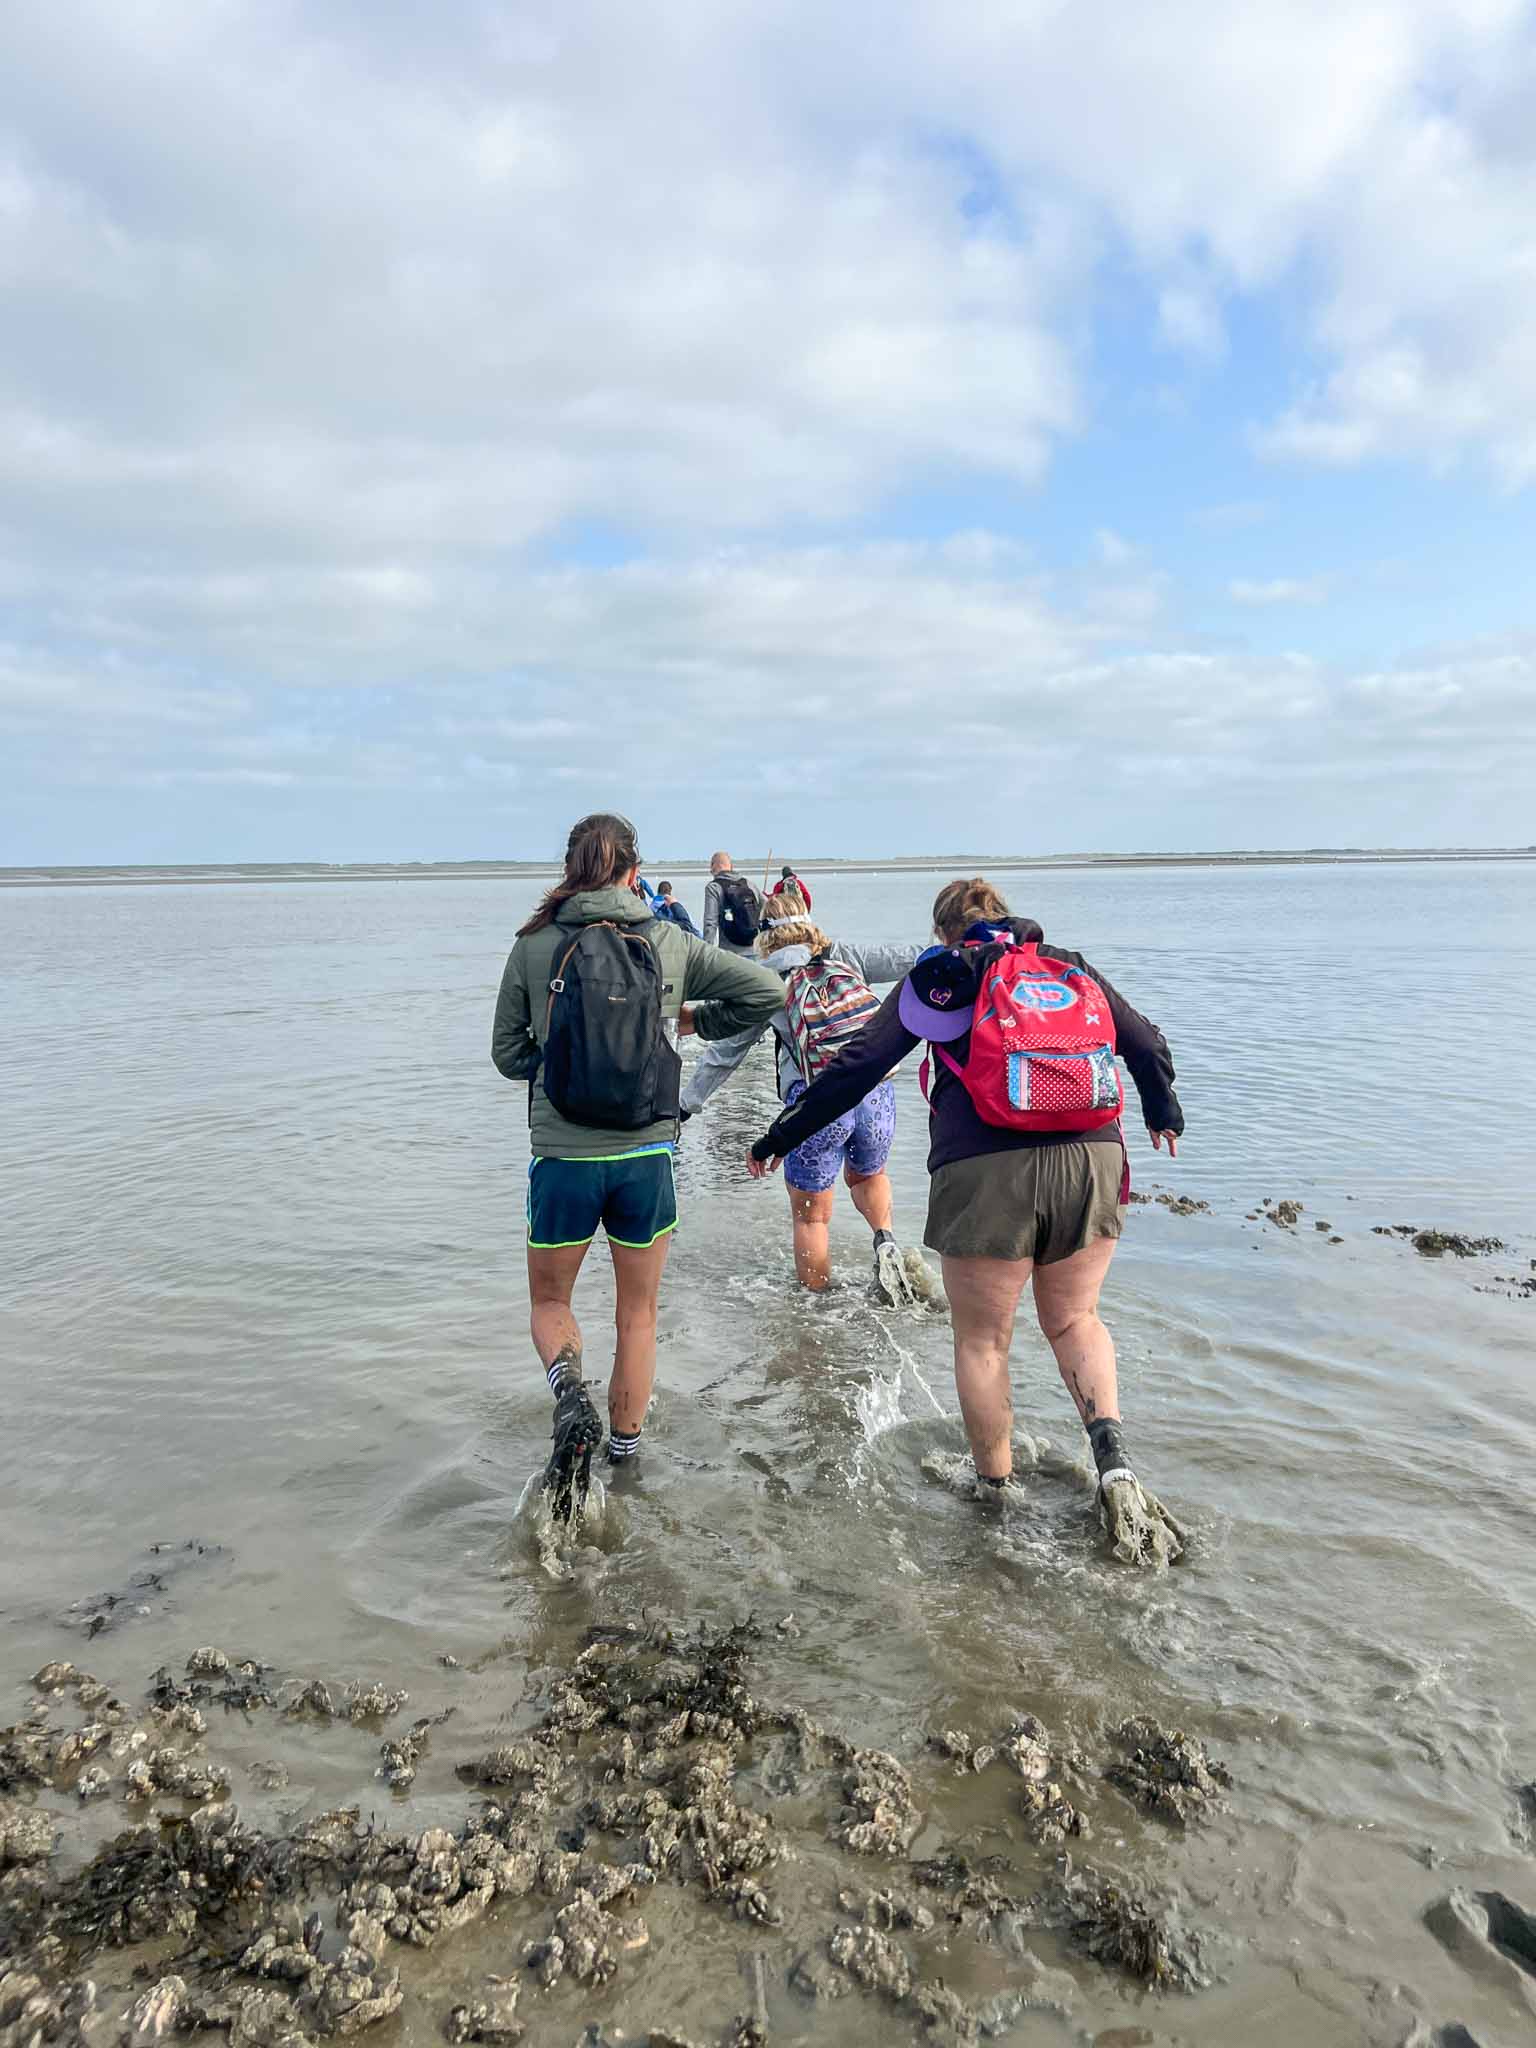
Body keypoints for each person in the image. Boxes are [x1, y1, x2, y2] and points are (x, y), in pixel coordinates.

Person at [744, 877, 1187, 1564]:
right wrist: (1163, 1112)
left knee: (984, 1342)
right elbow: (1146, 1041)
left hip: (985, 1172)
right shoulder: (1066, 964)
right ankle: (1116, 1467)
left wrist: (778, 1136)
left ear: (944, 931)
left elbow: (856, 1066)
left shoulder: (940, 978)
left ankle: (995, 1495)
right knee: (1077, 1320)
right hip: (1092, 1161)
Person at [493, 814, 783, 1518]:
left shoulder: (533, 944)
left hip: (562, 1159)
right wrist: (688, 1024)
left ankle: (570, 1398)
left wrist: (557, 1060)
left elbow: (507, 1056)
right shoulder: (669, 940)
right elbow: (767, 994)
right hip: (646, 1155)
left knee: (551, 1305)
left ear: (570, 869)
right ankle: (624, 1465)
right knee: (639, 1316)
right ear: (633, 871)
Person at [750, 909, 918, 1299]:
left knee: (812, 1217)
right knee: (869, 1175)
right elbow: (910, 957)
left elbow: (726, 1052)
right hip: (875, 1092)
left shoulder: (767, 980)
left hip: (816, 1105)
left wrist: (687, 1103)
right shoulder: (844, 955)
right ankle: (885, 1240)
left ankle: (818, 1310)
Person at [701, 851, 762, 954]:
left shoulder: (714, 887)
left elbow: (710, 923)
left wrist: (706, 953)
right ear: (731, 866)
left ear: (714, 866)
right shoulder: (749, 884)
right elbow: (769, 908)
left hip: (730, 953)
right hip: (755, 949)